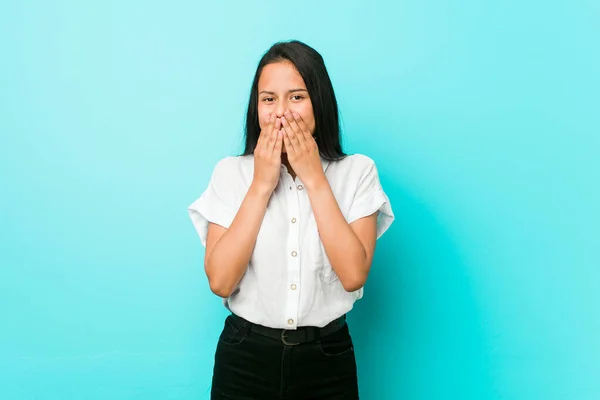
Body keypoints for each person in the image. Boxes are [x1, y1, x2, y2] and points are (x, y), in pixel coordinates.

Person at [188, 40, 394, 400]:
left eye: (296, 97)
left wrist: (314, 177)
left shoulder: (358, 172)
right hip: (245, 358)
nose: (281, 112)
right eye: (269, 99)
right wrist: (262, 185)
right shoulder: (229, 173)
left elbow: (353, 274)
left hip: (327, 359)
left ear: (319, 102)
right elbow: (220, 281)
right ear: (257, 108)